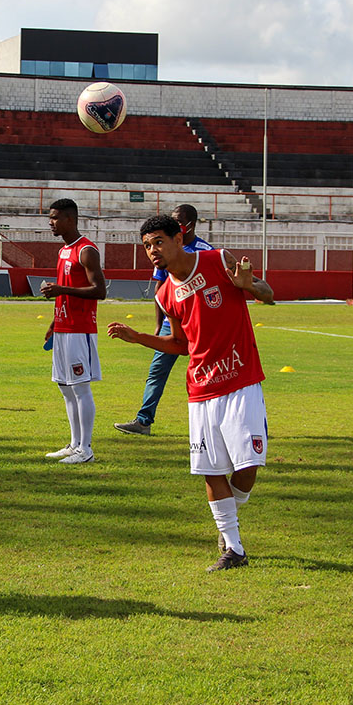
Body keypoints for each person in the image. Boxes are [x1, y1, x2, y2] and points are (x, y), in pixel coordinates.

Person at [107, 214, 274, 571]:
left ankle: (231, 515)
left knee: (248, 465)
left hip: (240, 379)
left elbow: (268, 294)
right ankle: (233, 548)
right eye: (147, 246)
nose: (152, 251)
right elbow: (181, 344)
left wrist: (249, 286)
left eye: (158, 242)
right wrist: (138, 338)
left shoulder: (217, 259)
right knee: (211, 470)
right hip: (200, 388)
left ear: (179, 238)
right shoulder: (165, 292)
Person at [114, 203, 213, 436]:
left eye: (179, 220)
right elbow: (161, 288)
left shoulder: (205, 251)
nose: (174, 222)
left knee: (211, 371)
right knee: (157, 372)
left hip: (199, 325)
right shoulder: (162, 250)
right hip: (172, 322)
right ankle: (143, 421)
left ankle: (245, 422)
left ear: (190, 224)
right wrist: (159, 325)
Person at [40, 198, 106, 464]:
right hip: (64, 328)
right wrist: (54, 323)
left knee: (80, 388)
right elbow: (64, 291)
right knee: (66, 388)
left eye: (55, 217)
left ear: (70, 219)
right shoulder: (63, 251)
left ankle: (86, 449)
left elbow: (100, 291)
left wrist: (61, 289)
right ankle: (74, 444)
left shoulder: (86, 250)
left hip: (81, 329)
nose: (50, 222)